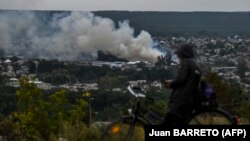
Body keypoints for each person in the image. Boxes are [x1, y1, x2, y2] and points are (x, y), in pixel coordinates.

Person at [162, 44, 202, 125]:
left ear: (183, 54)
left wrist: (171, 84)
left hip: (180, 101)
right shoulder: (195, 64)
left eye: (179, 55)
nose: (179, 58)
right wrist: (173, 82)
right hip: (190, 101)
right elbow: (188, 81)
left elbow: (180, 80)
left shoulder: (186, 62)